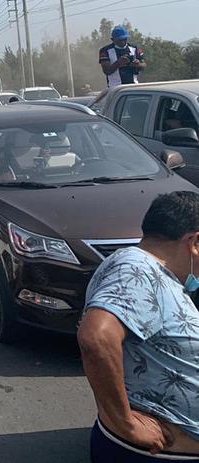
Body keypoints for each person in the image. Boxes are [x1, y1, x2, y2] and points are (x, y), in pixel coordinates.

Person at [78, 192, 199, 462]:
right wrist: (125, 423)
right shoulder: (138, 270)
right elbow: (96, 337)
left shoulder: (153, 272)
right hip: (155, 453)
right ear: (194, 242)